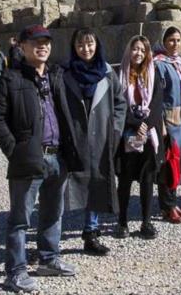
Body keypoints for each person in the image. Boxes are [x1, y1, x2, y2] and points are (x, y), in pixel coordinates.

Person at [0, 25, 82, 293]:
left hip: (57, 156)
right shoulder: (10, 79)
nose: (43, 46)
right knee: (20, 218)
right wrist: (14, 151)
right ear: (22, 46)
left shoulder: (55, 75)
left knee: (53, 212)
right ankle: (15, 272)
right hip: (29, 158)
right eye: (36, 42)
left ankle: (49, 259)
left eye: (46, 42)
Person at [63, 29, 127, 256]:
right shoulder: (65, 74)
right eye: (80, 45)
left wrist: (115, 130)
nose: (86, 49)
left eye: (89, 44)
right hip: (74, 137)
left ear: (97, 46)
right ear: (74, 47)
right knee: (63, 185)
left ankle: (91, 232)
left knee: (96, 184)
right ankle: (48, 237)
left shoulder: (108, 73)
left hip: (101, 136)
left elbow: (120, 104)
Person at [114, 35, 163, 240]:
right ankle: (122, 222)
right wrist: (135, 124)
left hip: (148, 134)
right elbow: (117, 103)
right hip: (127, 131)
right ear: (128, 50)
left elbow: (157, 102)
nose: (138, 53)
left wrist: (146, 124)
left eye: (143, 50)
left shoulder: (153, 72)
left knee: (147, 179)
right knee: (124, 180)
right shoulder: (119, 74)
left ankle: (146, 221)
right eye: (135, 49)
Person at [154, 27, 181, 224]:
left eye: (178, 40)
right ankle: (167, 206)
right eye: (171, 40)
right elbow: (157, 97)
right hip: (168, 120)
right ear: (163, 42)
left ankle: (173, 202)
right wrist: (160, 123)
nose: (175, 44)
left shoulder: (179, 62)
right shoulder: (159, 64)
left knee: (177, 163)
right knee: (168, 164)